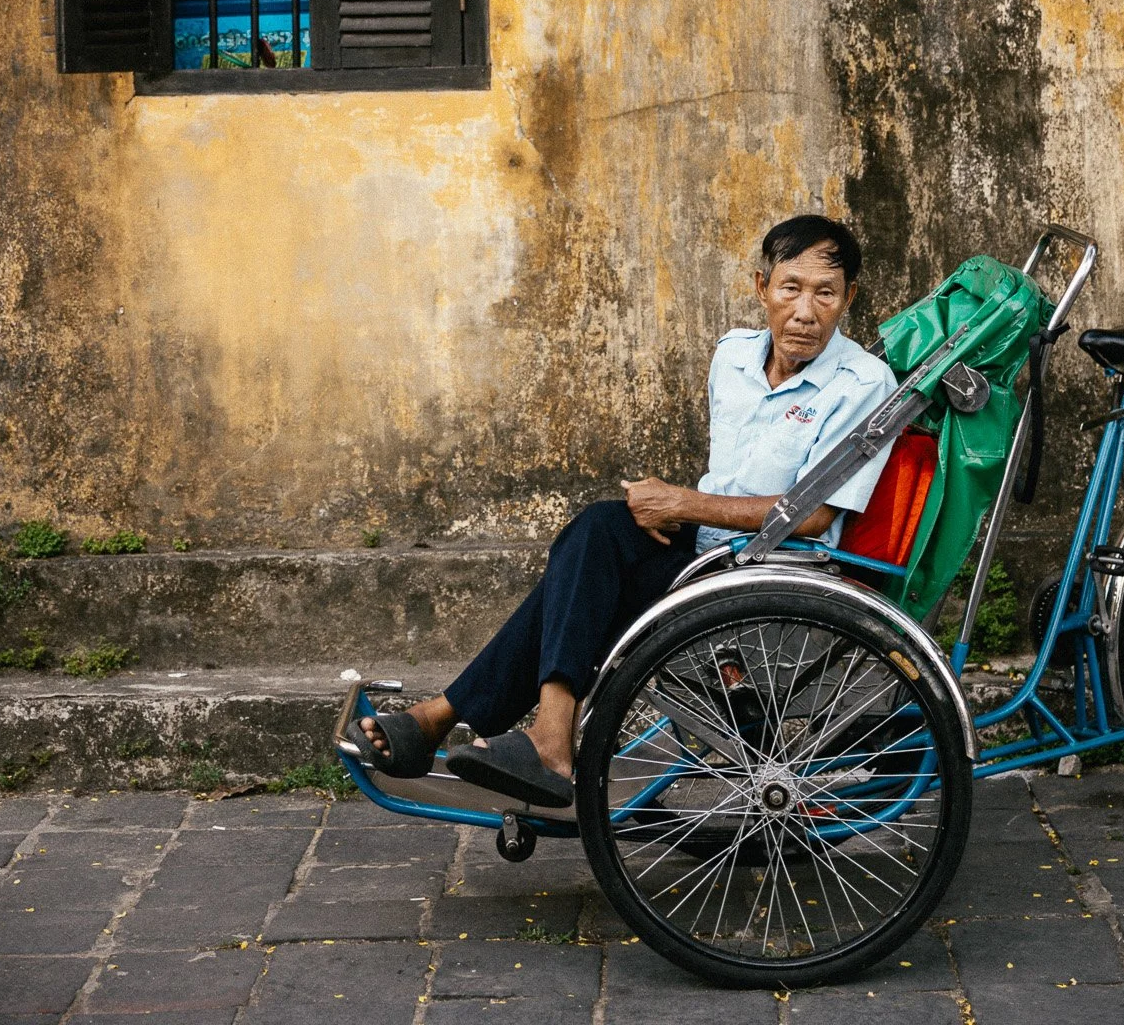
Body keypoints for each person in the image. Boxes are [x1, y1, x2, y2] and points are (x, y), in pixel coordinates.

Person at [346, 212, 897, 809]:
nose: (806, 312)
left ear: (849, 299)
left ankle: (489, 727)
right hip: (707, 547)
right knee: (596, 532)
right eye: (790, 288)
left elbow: (812, 516)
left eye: (825, 294)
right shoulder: (733, 358)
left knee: (594, 578)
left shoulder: (862, 382)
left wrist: (682, 501)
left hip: (775, 569)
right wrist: (679, 513)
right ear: (760, 286)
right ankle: (507, 729)